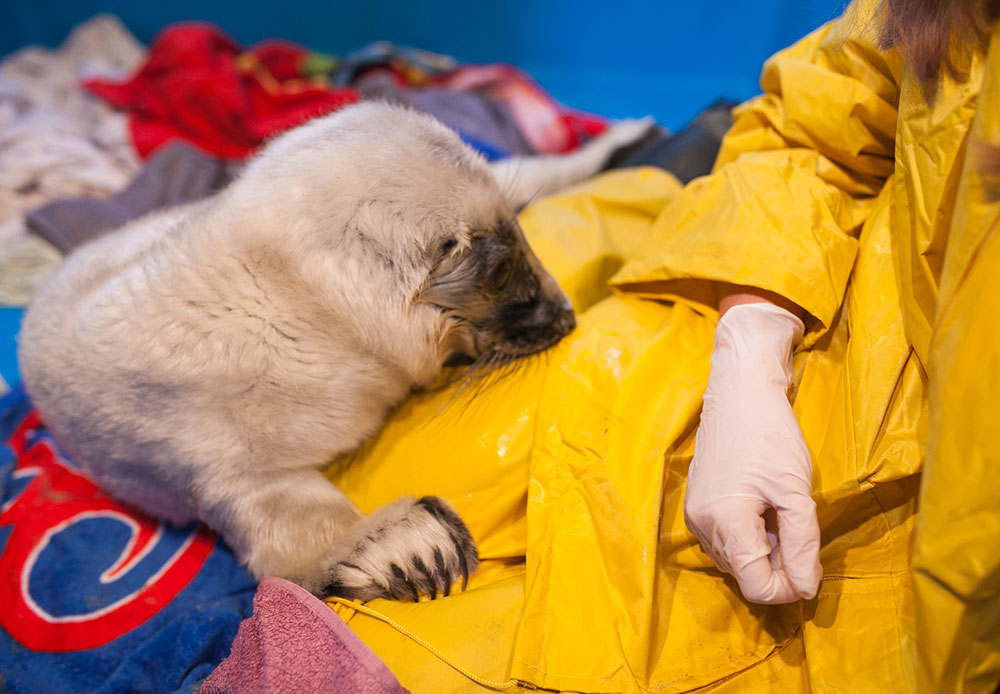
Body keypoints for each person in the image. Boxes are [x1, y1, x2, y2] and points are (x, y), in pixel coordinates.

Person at [323, 0, 1000, 691]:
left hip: (876, 610)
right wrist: (752, 347)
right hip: (754, 313)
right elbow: (816, 118)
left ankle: (665, 167)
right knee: (344, 486)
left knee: (362, 655)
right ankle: (662, 168)